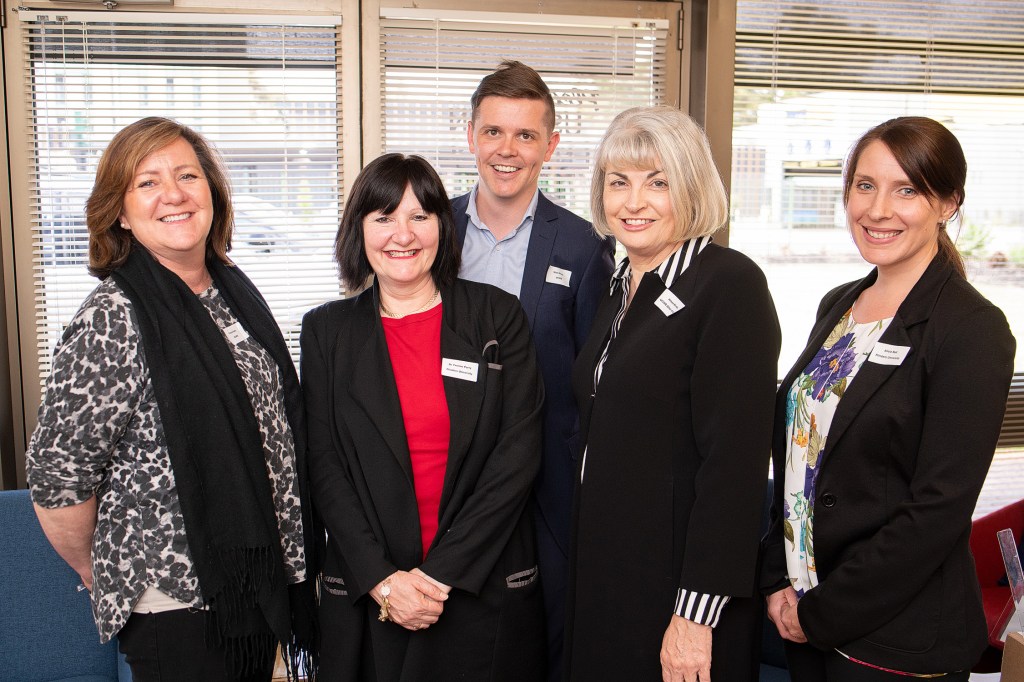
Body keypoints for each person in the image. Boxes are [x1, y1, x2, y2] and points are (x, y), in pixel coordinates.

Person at [25, 117, 318, 681]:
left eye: (187, 176)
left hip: (254, 581)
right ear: (119, 211)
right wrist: (98, 568)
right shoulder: (111, 319)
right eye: (147, 183)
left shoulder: (230, 292)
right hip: (175, 600)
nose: (174, 195)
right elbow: (57, 475)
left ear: (212, 191)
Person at [761, 116, 1016, 680]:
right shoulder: (839, 305)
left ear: (947, 203)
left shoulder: (971, 329)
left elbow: (937, 510)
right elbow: (804, 457)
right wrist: (778, 577)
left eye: (907, 190)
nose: (878, 210)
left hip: (892, 639)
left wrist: (822, 613)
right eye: (865, 185)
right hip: (803, 611)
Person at [302, 153, 547, 680]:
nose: (403, 235)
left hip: (477, 586)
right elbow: (324, 466)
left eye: (420, 216)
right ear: (359, 230)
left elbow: (517, 456)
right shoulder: (326, 331)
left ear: (442, 225)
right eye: (384, 217)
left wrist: (436, 579)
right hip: (373, 594)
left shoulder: (497, 316)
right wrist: (385, 581)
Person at [565, 105, 782, 681]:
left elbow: (734, 469)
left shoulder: (729, 284)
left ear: (691, 188)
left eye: (657, 182)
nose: (633, 202)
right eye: (619, 182)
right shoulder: (619, 283)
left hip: (682, 592)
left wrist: (695, 616)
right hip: (611, 571)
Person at [452, 59, 614, 679]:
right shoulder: (430, 231)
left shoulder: (582, 246)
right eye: (493, 131)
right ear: (470, 135)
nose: (507, 149)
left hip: (546, 488)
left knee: (543, 643)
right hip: (448, 480)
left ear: (550, 145)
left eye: (525, 135)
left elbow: (594, 380)